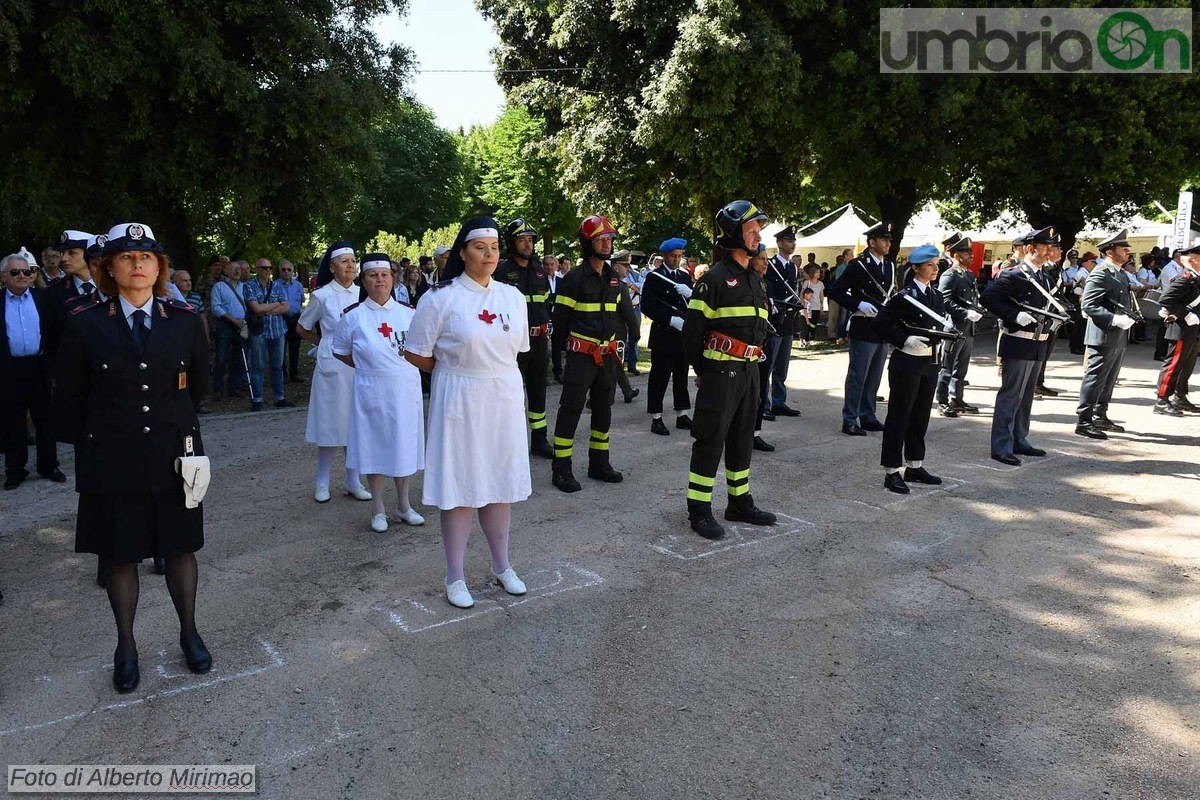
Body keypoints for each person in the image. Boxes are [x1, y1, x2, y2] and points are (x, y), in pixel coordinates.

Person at [53, 223, 212, 693]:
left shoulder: (183, 320)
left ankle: (189, 632)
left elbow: (199, 386)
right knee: (120, 555)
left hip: (175, 455)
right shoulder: (85, 322)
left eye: (148, 257)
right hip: (112, 457)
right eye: (127, 257)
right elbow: (69, 394)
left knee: (181, 548)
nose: (138, 264)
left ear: (159, 267)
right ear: (108, 268)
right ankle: (126, 645)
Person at [404, 217, 531, 609]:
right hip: (459, 397)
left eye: (494, 247)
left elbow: (517, 349)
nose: (489, 253)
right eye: (480, 247)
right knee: (460, 486)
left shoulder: (512, 296)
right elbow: (415, 351)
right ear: (463, 252)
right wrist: (450, 371)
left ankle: (501, 565)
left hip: (504, 395)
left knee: (499, 482)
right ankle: (455, 576)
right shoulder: (440, 298)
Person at [682, 200, 777, 540]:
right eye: (751, 230)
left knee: (742, 438)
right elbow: (692, 333)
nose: (757, 236)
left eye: (758, 230)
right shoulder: (714, 279)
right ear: (733, 232)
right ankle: (699, 509)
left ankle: (739, 502)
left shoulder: (756, 279)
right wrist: (704, 370)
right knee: (710, 439)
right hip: (721, 373)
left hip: (750, 371)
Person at [332, 254, 425, 532]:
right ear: (364, 280)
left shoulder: (410, 313)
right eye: (373, 276)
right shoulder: (353, 317)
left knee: (404, 447)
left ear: (393, 278)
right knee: (374, 449)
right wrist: (371, 368)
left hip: (405, 391)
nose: (379, 280)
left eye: (384, 275)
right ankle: (379, 510)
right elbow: (342, 352)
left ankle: (404, 505)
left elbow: (420, 350)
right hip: (371, 392)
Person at [548, 215, 638, 493]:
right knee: (571, 410)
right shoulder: (573, 279)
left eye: (609, 239)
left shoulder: (614, 278)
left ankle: (599, 464)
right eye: (601, 239)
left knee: (603, 409)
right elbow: (560, 323)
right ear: (587, 244)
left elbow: (623, 315)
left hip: (608, 358)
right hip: (581, 357)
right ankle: (561, 469)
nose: (607, 244)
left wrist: (631, 338)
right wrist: (558, 363)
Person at [296, 241, 372, 502]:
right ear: (332, 266)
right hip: (332, 365)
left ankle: (353, 480)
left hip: (359, 362)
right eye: (344, 261)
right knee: (330, 423)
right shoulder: (322, 295)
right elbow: (302, 327)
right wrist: (324, 344)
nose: (350, 265)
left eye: (353, 261)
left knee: (355, 423)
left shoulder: (364, 293)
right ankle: (322, 481)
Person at [874, 245, 950, 494]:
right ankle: (892, 470)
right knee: (899, 416)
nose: (935, 269)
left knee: (920, 415)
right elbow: (882, 324)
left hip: (929, 361)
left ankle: (915, 465)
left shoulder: (936, 296)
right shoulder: (904, 297)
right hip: (906, 362)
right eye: (930, 265)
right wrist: (904, 340)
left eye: (937, 264)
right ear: (916, 268)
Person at [980, 227, 1059, 465]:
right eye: (1045, 247)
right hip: (1017, 340)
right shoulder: (1014, 275)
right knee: (1011, 395)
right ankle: (1001, 445)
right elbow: (988, 298)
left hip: (1038, 342)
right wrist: (1014, 315)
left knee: (1026, 396)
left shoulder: (1045, 276)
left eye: (1050, 247)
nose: (1049, 251)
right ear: (1029, 248)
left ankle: (1020, 439)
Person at [828, 221, 898, 436]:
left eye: (889, 240)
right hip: (864, 327)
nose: (888, 243)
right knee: (858, 376)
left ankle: (868, 415)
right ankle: (850, 419)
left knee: (875, 377)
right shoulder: (858, 265)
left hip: (881, 329)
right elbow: (835, 290)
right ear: (872, 242)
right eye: (884, 240)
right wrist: (856, 304)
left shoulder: (889, 265)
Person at [1, 253, 63, 489]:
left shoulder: (44, 298)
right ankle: (15, 471)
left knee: (45, 418)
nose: (22, 276)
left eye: (27, 272)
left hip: (40, 365)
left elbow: (57, 332)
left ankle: (49, 466)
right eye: (15, 272)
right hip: (9, 368)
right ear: (4, 276)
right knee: (13, 421)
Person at [494, 219, 554, 458]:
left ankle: (539, 440)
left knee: (539, 392)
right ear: (511, 242)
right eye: (522, 240)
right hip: (511, 345)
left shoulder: (539, 270)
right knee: (510, 395)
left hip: (539, 341)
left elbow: (547, 302)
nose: (528, 245)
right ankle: (509, 443)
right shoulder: (500, 271)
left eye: (530, 240)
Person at [1075, 229, 1138, 439]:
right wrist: (1114, 319)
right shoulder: (1101, 272)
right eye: (1123, 248)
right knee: (1095, 378)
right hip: (1103, 334)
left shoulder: (1119, 273)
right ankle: (1084, 421)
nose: (1128, 251)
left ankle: (1100, 415)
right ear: (1109, 252)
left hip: (1118, 335)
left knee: (1109, 379)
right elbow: (1089, 304)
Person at [640, 236, 694, 436]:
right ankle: (656, 416)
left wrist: (691, 293)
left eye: (679, 256)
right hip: (664, 333)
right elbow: (647, 305)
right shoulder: (655, 277)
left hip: (682, 335)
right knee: (659, 377)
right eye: (672, 256)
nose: (676, 259)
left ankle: (682, 413)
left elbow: (692, 305)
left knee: (681, 375)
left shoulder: (684, 277)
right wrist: (669, 320)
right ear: (664, 256)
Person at [936, 234, 984, 417]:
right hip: (954, 326)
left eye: (970, 251)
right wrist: (965, 312)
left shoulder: (969, 274)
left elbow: (971, 297)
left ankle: (957, 398)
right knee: (947, 366)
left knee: (961, 367)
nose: (971, 255)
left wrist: (976, 307)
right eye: (966, 252)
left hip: (968, 327)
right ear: (956, 254)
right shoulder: (949, 275)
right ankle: (942, 400)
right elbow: (945, 301)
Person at [1154, 243, 1200, 416]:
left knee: (1187, 365)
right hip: (1181, 327)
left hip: (1194, 328)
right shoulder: (1185, 277)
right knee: (1173, 365)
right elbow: (1166, 300)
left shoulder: (1196, 277)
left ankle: (1180, 396)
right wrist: (1185, 314)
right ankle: (1162, 399)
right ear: (1193, 259)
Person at [243, 259, 294, 411]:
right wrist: (275, 305)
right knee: (258, 366)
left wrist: (265, 309)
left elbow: (286, 307)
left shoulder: (277, 285)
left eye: (270, 268)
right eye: (264, 268)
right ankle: (257, 399)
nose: (267, 270)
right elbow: (256, 309)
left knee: (277, 366)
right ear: (257, 269)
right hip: (259, 331)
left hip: (278, 330)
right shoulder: (249, 286)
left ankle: (279, 397)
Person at [764, 226, 801, 416]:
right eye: (788, 241)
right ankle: (764, 404)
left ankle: (779, 401)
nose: (792, 244)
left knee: (782, 365)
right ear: (779, 244)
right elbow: (766, 290)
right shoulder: (770, 265)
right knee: (768, 364)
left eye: (794, 241)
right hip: (774, 319)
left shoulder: (793, 268)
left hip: (787, 320)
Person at [208, 258, 249, 399]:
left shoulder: (245, 287)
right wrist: (233, 320)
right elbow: (216, 307)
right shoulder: (219, 286)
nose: (237, 271)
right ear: (226, 271)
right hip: (225, 324)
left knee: (239, 357)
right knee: (221, 357)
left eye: (239, 268)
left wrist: (242, 322)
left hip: (242, 325)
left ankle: (234, 387)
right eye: (233, 268)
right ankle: (217, 389)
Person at [749, 245, 776, 452]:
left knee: (760, 391)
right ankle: (740, 433)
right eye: (761, 259)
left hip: (763, 343)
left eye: (767, 259)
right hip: (747, 348)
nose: (766, 263)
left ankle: (755, 433)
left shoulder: (763, 283)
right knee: (747, 394)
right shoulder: (746, 283)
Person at [609, 254, 641, 404]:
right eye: (625, 266)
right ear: (616, 266)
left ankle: (626, 391)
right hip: (616, 332)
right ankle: (600, 397)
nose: (628, 269)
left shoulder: (601, 282)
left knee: (615, 364)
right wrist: (635, 332)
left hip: (602, 332)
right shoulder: (620, 287)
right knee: (613, 363)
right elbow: (628, 313)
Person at [276, 260, 306, 383]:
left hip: (295, 319)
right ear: (280, 271)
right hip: (281, 318)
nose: (286, 272)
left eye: (289, 269)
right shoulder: (274, 285)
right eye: (283, 269)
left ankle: (294, 374)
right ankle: (283, 374)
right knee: (280, 348)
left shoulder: (298, 285)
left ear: (292, 270)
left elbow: (301, 301)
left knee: (295, 348)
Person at [546, 255, 564, 382]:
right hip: (545, 316)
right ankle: (544, 374)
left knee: (557, 346)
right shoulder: (540, 280)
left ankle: (558, 372)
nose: (549, 267)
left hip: (557, 316)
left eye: (552, 264)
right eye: (546, 264)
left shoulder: (561, 281)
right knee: (543, 348)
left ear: (557, 266)